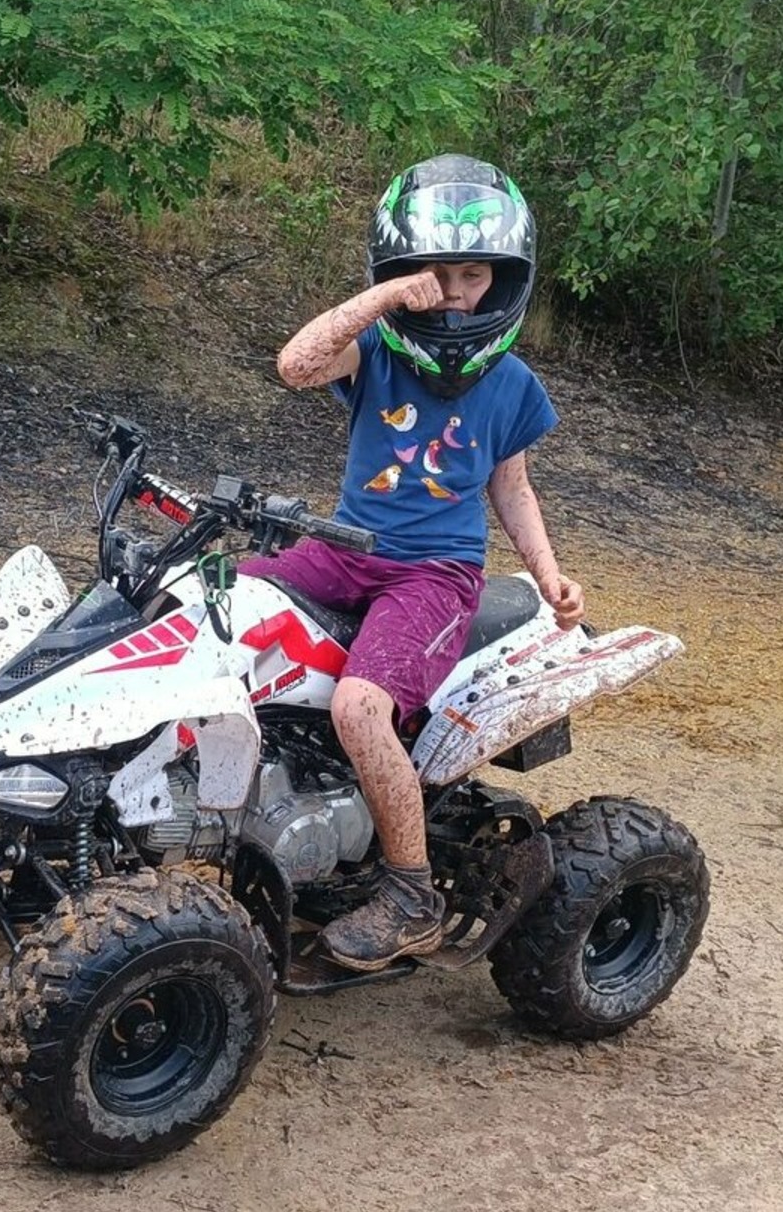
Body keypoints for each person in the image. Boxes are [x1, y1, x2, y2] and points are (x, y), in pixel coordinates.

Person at [242, 153, 585, 972]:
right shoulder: (379, 356)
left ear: (502, 282)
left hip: (435, 575)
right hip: (344, 549)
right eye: (438, 272)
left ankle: (411, 893)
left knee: (361, 706)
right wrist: (389, 298)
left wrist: (547, 574)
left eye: (474, 275)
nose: (456, 291)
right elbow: (294, 365)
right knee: (213, 605)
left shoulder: (512, 384)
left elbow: (514, 487)